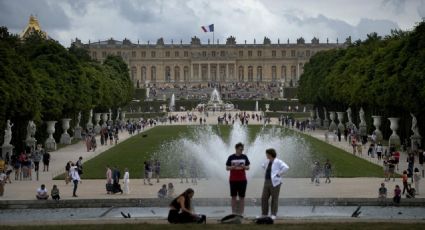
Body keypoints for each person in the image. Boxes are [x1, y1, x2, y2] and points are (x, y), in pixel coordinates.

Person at [260, 148, 289, 220]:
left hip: (275, 182)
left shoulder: (278, 161)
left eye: (267, 154)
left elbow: (286, 167)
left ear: (270, 154)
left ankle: (273, 214)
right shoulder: (267, 161)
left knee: (274, 198)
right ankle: (264, 214)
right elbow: (263, 165)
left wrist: (279, 174)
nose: (266, 155)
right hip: (267, 181)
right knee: (264, 198)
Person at [226, 142, 250, 216]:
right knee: (233, 197)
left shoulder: (244, 157)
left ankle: (241, 213)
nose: (241, 150)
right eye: (240, 149)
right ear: (236, 149)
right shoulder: (231, 157)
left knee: (242, 197)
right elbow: (227, 168)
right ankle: (233, 213)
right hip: (233, 180)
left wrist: (244, 167)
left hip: (242, 180)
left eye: (242, 149)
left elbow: (248, 167)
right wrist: (232, 167)